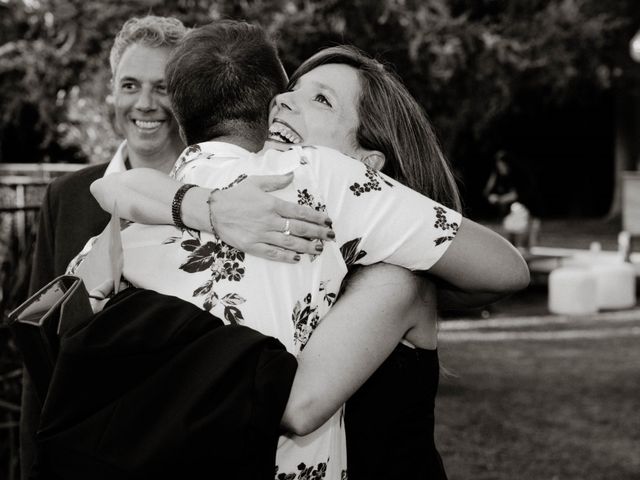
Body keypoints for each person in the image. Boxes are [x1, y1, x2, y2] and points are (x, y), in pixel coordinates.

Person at [85, 21, 529, 479]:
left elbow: (295, 406)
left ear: (368, 167)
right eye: (291, 88)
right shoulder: (267, 206)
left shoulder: (388, 271)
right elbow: (116, 187)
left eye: (320, 99)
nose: (282, 100)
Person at [21, 16, 332, 479]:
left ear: (188, 95)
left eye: (162, 87)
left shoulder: (244, 191)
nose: (144, 103)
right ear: (112, 90)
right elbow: (43, 350)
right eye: (129, 85)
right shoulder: (66, 196)